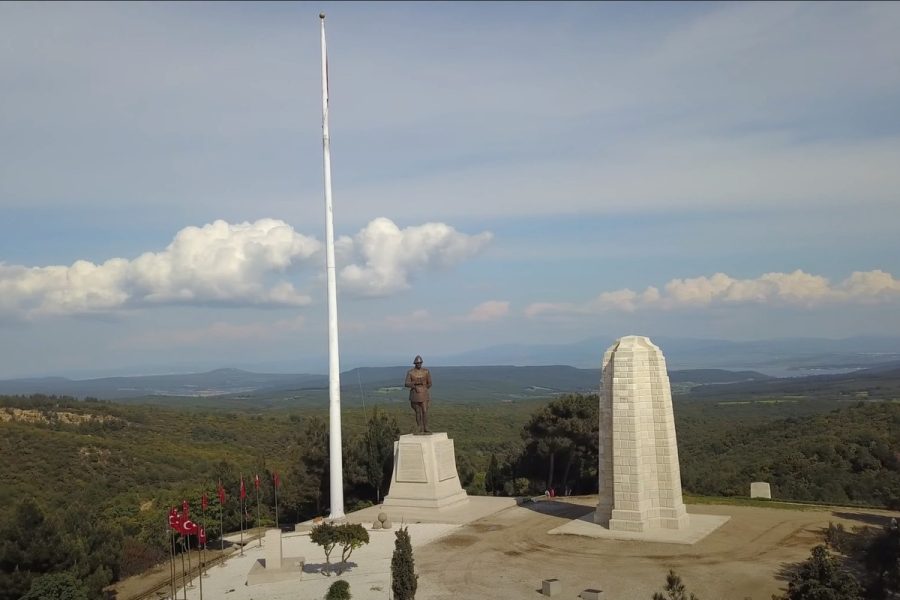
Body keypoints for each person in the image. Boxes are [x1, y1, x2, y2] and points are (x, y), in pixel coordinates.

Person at [404, 355, 432, 433]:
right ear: (415, 363)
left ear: (422, 363)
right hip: (415, 394)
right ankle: (419, 427)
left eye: (420, 363)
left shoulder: (426, 371)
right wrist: (414, 383)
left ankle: (426, 427)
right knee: (417, 411)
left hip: (424, 394)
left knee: (425, 410)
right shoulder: (410, 372)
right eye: (417, 363)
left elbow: (429, 383)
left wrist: (424, 388)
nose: (419, 364)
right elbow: (406, 383)